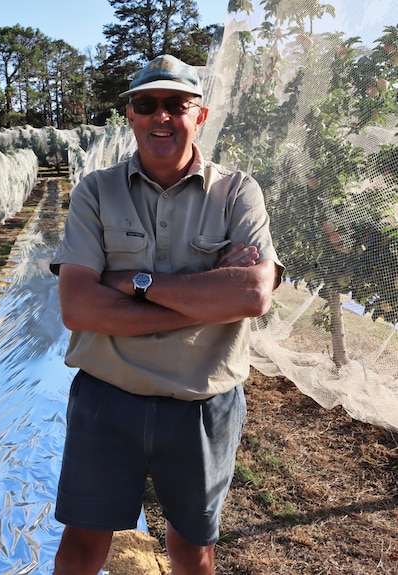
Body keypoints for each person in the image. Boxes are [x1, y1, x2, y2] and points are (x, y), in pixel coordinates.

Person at [49, 54, 285, 575]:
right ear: (129, 115)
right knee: (82, 547)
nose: (161, 116)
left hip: (201, 407)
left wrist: (132, 284)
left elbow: (251, 297)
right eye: (147, 104)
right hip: (108, 401)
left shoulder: (237, 192)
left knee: (192, 549)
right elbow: (78, 306)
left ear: (199, 116)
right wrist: (205, 300)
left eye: (176, 104)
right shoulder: (96, 191)